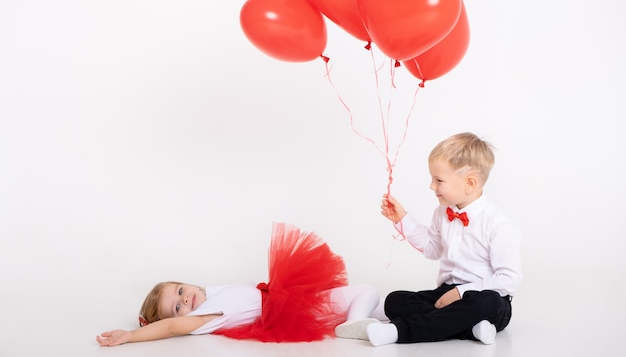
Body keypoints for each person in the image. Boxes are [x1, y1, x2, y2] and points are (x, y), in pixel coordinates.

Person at [96, 221, 385, 347]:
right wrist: (131, 336)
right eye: (177, 307)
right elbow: (170, 327)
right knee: (367, 292)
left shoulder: (211, 294)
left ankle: (369, 321)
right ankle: (354, 324)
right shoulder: (203, 319)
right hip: (295, 311)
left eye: (181, 291)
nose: (185, 300)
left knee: (378, 306)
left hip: (295, 300)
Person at [362, 132, 523, 347]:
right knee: (395, 300)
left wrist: (461, 292)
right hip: (445, 294)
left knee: (488, 303)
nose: (431, 186)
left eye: (438, 180)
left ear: (469, 183)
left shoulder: (498, 224)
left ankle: (399, 331)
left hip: (484, 296)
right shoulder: (441, 212)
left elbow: (509, 279)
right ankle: (471, 328)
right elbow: (432, 249)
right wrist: (403, 219)